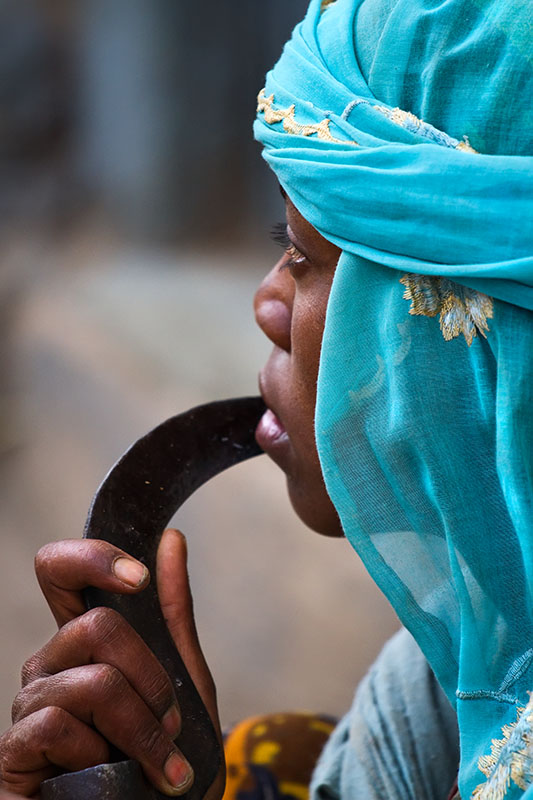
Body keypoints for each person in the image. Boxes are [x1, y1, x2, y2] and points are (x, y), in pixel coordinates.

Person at [1, 0, 532, 798]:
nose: (265, 304)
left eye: (304, 255)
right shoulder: (440, 687)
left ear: (476, 323)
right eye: (277, 242)